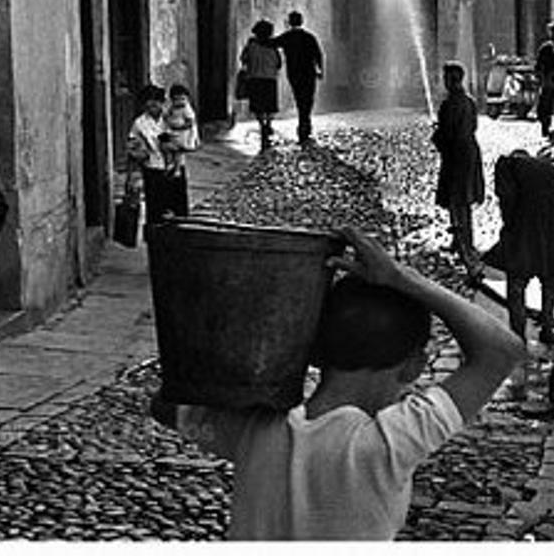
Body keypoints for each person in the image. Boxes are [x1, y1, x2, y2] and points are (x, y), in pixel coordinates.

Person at [149, 228, 525, 540]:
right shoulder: (384, 445)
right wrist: (400, 277)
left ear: (314, 353)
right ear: (414, 367)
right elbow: (502, 350)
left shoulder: (256, 428)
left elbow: (165, 406)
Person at [484, 149, 554, 346]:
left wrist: (509, 228)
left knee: (516, 281)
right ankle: (548, 329)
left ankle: (517, 336)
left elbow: (506, 198)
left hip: (526, 223)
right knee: (549, 280)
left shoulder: (507, 164)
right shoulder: (545, 167)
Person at [432, 62, 485, 282]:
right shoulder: (470, 102)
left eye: (448, 78)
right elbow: (472, 128)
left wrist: (436, 136)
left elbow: (446, 135)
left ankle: (464, 246)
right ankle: (462, 240)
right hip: (470, 153)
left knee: (457, 201)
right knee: (465, 200)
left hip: (456, 157)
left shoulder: (448, 105)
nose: (447, 82)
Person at [126, 84, 177, 227]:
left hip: (171, 166)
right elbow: (132, 146)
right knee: (154, 204)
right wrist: (140, 152)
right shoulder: (140, 123)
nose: (153, 104)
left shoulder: (168, 120)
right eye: (149, 100)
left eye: (157, 100)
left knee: (170, 205)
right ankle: (154, 235)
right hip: (151, 167)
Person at [272, 10, 324, 144]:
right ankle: (305, 121)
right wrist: (320, 69)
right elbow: (318, 54)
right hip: (309, 72)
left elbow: (272, 43)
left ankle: (303, 122)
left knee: (299, 97)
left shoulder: (287, 37)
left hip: (294, 72)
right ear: (302, 21)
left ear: (289, 22)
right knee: (308, 98)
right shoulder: (309, 37)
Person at [240, 20, 282, 150]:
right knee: (270, 106)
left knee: (258, 106)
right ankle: (268, 123)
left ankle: (261, 124)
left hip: (255, 78)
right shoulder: (273, 46)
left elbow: (243, 59)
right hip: (270, 79)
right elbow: (279, 63)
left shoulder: (251, 45)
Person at [161, 83, 199, 178]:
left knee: (178, 152)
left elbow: (190, 122)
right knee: (167, 147)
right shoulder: (172, 107)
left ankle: (177, 168)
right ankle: (170, 163)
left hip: (182, 134)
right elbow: (167, 114)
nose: (179, 102)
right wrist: (166, 117)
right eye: (176, 99)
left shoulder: (186, 109)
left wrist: (181, 126)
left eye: (182, 99)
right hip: (173, 131)